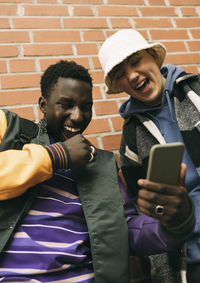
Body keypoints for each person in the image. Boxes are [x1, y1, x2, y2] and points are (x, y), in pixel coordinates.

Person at [0, 60, 194, 283]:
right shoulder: (11, 131)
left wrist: (175, 224)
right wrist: (56, 156)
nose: (77, 116)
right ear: (43, 105)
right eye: (66, 104)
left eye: (85, 106)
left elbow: (126, 231)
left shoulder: (101, 163)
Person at [98, 28, 200, 282]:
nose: (132, 76)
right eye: (121, 74)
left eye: (136, 62)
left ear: (153, 57)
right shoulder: (130, 140)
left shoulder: (196, 91)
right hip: (188, 264)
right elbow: (145, 214)